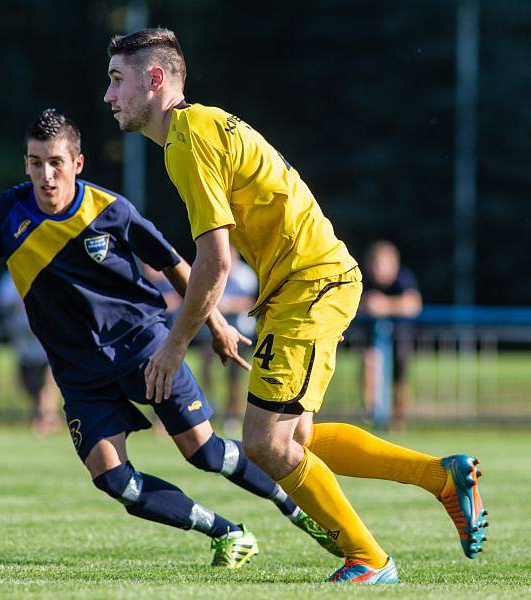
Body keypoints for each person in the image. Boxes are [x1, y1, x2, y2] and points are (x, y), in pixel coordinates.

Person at [103, 28, 487, 583]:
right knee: (297, 438)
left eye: (117, 80)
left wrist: (174, 344)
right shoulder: (202, 126)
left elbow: (215, 260)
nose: (109, 96)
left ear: (155, 79)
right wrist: (213, 324)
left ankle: (370, 560)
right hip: (310, 285)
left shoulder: (189, 140)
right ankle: (441, 478)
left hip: (309, 286)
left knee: (264, 443)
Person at [0, 108, 342, 568]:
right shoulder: (7, 215)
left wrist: (216, 323)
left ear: (78, 163)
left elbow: (175, 264)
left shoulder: (110, 210)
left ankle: (295, 507)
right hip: (79, 373)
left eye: (55, 163)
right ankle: (227, 532)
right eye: (34, 163)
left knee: (204, 452)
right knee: (114, 481)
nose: (45, 175)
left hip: (143, 348)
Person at [361, 240, 423, 430]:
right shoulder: (363, 279)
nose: (377, 269)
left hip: (401, 336)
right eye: (374, 264)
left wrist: (384, 305)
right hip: (373, 336)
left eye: (382, 264)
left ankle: (398, 419)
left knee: (400, 378)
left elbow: (413, 304)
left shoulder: (403, 278)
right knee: (369, 362)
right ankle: (371, 411)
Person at [198, 248, 258, 437]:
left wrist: (228, 305)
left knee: (234, 377)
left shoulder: (245, 275)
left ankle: (233, 414)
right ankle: (210, 404)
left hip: (240, 332)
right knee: (206, 366)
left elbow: (251, 302)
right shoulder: (215, 272)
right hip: (216, 330)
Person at [0, 269, 62, 436]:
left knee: (48, 379)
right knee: (28, 382)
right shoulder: (10, 277)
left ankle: (45, 418)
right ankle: (46, 416)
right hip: (23, 339)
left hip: (44, 334)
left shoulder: (44, 269)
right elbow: (5, 302)